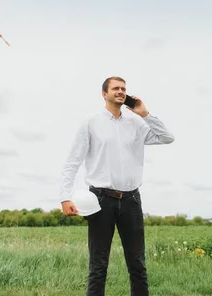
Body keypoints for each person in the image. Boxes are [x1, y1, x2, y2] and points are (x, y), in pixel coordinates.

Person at [59, 76, 175, 296]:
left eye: (124, 89)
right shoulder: (91, 123)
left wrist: (145, 114)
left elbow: (167, 137)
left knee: (138, 264)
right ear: (104, 94)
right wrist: (65, 197)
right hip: (100, 200)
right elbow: (72, 162)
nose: (121, 91)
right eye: (116, 88)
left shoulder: (137, 123)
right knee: (98, 265)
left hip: (131, 200)